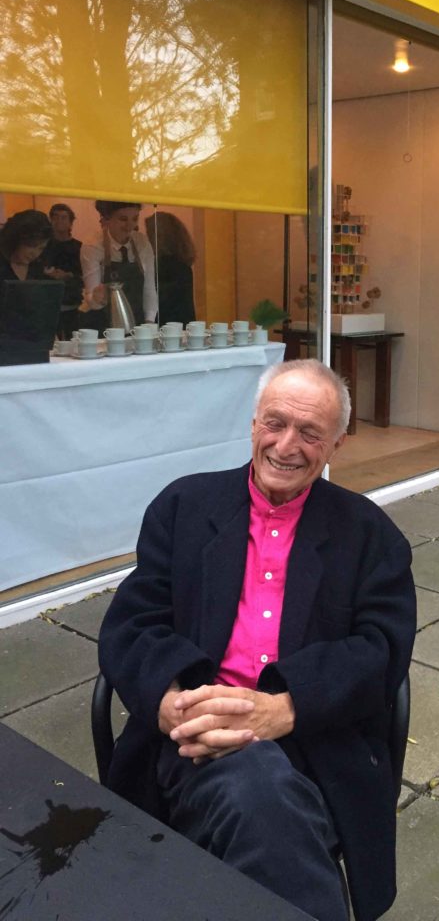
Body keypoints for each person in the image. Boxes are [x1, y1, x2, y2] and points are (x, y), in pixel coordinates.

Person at [98, 360, 416, 921]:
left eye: (310, 433)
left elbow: (381, 650)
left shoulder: (370, 535)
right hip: (191, 730)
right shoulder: (184, 507)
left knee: (258, 790)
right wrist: (170, 704)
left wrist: (285, 709)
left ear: (336, 444)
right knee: (261, 796)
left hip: (312, 738)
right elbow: (132, 620)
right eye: (275, 423)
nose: (287, 445)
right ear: (252, 425)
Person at [80, 200, 157, 332]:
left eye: (135, 219)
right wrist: (97, 299)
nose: (130, 225)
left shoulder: (142, 242)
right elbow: (91, 299)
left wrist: (149, 324)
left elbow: (149, 289)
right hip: (102, 325)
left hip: (136, 321)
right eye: (123, 219)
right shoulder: (93, 246)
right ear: (107, 219)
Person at [145, 211, 196, 326]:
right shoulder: (182, 266)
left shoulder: (163, 267)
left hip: (167, 331)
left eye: (149, 235)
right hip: (181, 329)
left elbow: (157, 303)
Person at [40, 203, 83, 338]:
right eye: (55, 217)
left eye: (63, 217)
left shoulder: (79, 247)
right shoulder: (43, 246)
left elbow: (83, 275)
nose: (59, 221)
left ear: (71, 222)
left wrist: (67, 275)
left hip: (72, 303)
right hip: (47, 302)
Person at [0, 209, 54, 282]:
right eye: (31, 246)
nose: (35, 253)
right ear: (16, 240)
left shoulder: (37, 268)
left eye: (41, 248)